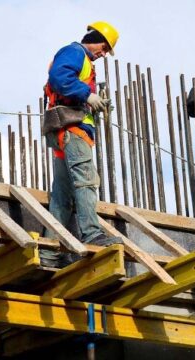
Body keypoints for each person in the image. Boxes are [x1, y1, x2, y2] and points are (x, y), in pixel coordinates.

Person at [41, 21, 120, 268]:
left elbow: (68, 88)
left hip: (64, 131)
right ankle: (92, 233)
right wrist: (88, 95)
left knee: (62, 196)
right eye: (104, 47)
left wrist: (95, 103)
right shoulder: (76, 52)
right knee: (86, 180)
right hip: (72, 131)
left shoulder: (84, 63)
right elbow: (59, 77)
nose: (104, 54)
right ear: (94, 38)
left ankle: (49, 253)